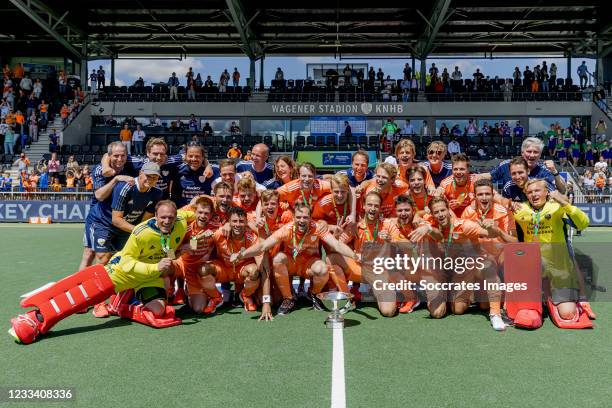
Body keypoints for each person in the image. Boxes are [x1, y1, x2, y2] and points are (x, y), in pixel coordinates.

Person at [9, 200, 192, 344]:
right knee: (83, 297)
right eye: (163, 217)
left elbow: (195, 209)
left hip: (149, 279)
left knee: (158, 311)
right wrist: (155, 267)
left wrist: (196, 238)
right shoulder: (141, 232)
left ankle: (120, 306)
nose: (167, 221)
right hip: (122, 274)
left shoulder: (181, 222)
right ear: (156, 216)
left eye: (171, 217)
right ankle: (37, 317)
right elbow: (127, 261)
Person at [233, 200, 358, 315]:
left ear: (310, 218)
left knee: (323, 269)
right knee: (278, 258)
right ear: (294, 218)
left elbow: (336, 245)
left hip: (309, 264)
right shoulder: (287, 229)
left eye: (305, 217)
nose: (302, 220)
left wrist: (354, 255)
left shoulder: (317, 228)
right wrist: (242, 254)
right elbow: (263, 246)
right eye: (298, 217)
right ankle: (288, 298)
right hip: (291, 264)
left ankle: (314, 295)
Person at [511, 179, 590, 328]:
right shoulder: (519, 210)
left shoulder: (557, 208)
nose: (534, 194)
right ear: (526, 195)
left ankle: (557, 299)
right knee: (527, 316)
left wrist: (565, 203)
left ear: (546, 192)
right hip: (533, 269)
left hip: (558, 268)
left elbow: (583, 223)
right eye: (530, 192)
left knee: (568, 315)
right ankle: (540, 300)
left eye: (537, 191)